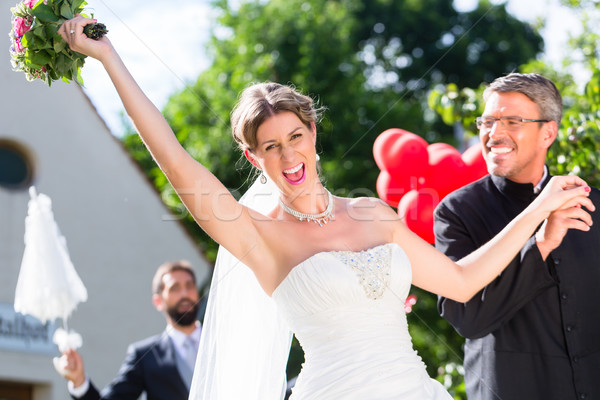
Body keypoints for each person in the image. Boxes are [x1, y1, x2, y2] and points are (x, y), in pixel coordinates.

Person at [58, 17, 593, 400]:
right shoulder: (259, 238)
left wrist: (539, 228)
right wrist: (109, 57)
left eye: (295, 136)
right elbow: (175, 159)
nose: (289, 155)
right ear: (253, 156)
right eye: (271, 146)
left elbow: (460, 280)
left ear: (312, 133)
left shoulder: (373, 214)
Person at [434, 72, 600, 399]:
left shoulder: (592, 204)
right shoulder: (456, 213)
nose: (495, 133)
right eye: (487, 121)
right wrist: (540, 243)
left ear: (547, 132)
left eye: (513, 121)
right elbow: (468, 319)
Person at [56, 260, 202, 400]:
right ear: (158, 301)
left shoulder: (222, 342)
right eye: (174, 288)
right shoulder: (145, 355)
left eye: (189, 286)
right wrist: (79, 381)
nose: (184, 294)